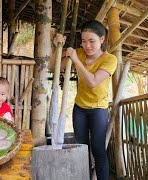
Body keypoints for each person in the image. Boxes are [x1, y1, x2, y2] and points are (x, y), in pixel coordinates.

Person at [51, 20, 117, 180]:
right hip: (79, 108)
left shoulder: (110, 59)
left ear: (101, 39)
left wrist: (76, 60)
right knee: (81, 148)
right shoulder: (79, 53)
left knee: (98, 149)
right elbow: (53, 66)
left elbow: (93, 82)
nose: (87, 45)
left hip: (98, 110)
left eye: (92, 41)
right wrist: (57, 48)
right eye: (84, 41)